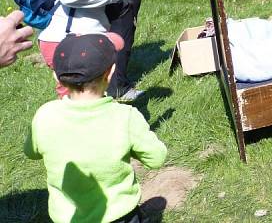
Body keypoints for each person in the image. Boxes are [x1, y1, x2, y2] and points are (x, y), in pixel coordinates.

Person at [24, 33, 167, 223]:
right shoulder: (125, 117)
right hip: (119, 214)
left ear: (56, 76)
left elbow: (31, 152)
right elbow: (157, 158)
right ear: (111, 72)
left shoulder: (44, 115)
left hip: (68, 217)